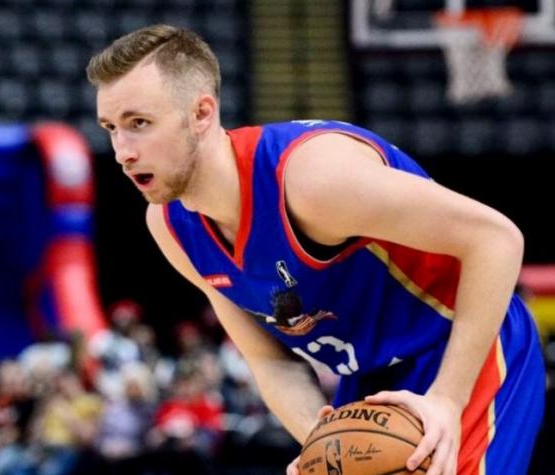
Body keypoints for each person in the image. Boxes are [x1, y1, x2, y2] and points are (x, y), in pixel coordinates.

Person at [85, 24, 545, 475]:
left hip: (460, 347)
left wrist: (447, 398)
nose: (122, 151)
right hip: (367, 380)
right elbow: (269, 360)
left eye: (139, 124)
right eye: (111, 128)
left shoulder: (312, 181)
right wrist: (321, 445)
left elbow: (496, 239)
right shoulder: (171, 226)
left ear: (202, 114)